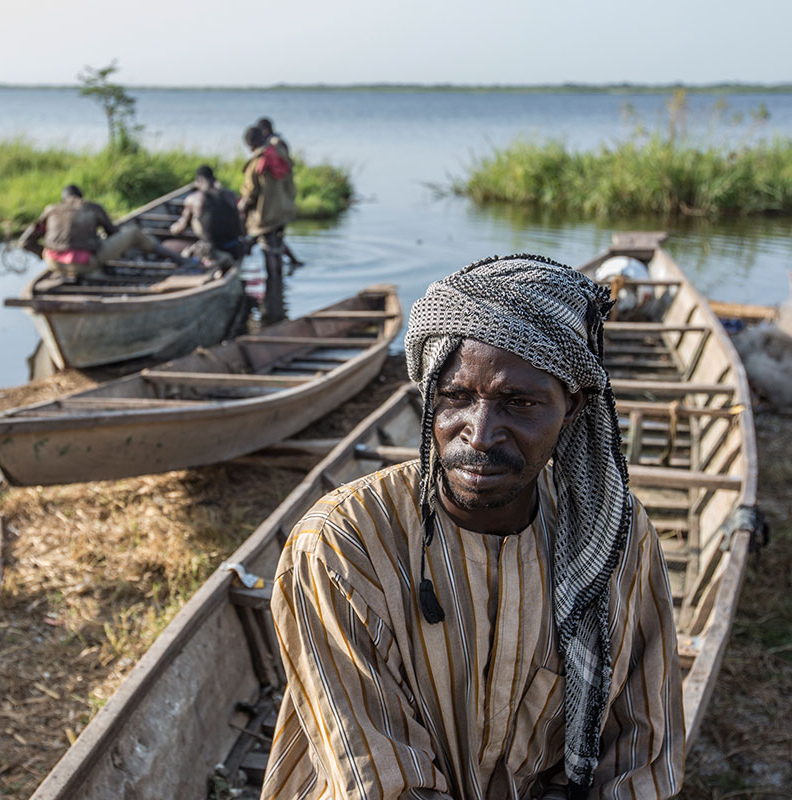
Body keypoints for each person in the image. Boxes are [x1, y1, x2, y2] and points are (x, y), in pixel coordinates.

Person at [262, 255, 685, 800]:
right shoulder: (343, 543)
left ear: (572, 406)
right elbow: (380, 782)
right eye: (456, 397)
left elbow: (642, 749)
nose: (480, 434)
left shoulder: (616, 535)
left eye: (519, 403)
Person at [17, 184, 182, 281]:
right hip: (85, 264)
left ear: (63, 199)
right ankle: (178, 259)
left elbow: (25, 242)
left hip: (53, 263)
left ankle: (64, 265)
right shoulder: (92, 208)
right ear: (80, 197)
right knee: (133, 233)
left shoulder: (51, 210)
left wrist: (46, 255)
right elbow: (113, 233)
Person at [239, 125, 296, 322]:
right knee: (277, 248)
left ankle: (272, 291)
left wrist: (242, 208)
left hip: (266, 214)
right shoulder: (279, 152)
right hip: (283, 210)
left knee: (268, 251)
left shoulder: (257, 162)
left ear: (250, 144)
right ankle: (278, 289)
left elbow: (251, 193)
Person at [168, 165, 244, 269]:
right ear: (213, 178)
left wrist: (172, 229)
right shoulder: (230, 195)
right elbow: (239, 225)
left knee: (171, 247)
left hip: (212, 251)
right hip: (235, 248)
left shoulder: (193, 199)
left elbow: (180, 228)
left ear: (198, 180)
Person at [255, 117, 304, 268]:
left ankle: (283, 266)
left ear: (265, 130)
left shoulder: (273, 146)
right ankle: (287, 263)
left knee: (271, 238)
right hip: (282, 197)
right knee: (276, 238)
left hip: (277, 199)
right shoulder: (277, 144)